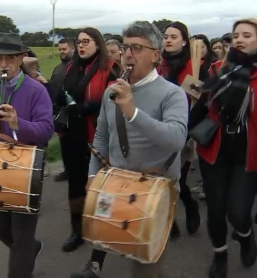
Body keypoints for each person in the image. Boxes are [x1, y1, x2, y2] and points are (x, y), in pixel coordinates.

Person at [70, 20, 188, 278]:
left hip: (155, 191)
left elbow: (177, 140)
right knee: (103, 238)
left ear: (156, 56)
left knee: (145, 265)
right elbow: (101, 136)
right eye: (125, 47)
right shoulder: (111, 92)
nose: (127, 55)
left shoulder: (172, 94)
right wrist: (92, 175)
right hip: (116, 186)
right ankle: (94, 265)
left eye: (137, 48)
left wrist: (132, 111)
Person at [189, 18, 257, 278]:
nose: (239, 39)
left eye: (246, 35)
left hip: (249, 154)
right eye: (235, 35)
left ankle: (245, 236)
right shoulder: (218, 69)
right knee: (216, 211)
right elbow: (203, 107)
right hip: (215, 149)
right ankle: (220, 254)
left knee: (239, 213)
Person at [0, 33, 54, 278]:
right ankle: (30, 249)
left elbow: (47, 130)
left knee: (22, 236)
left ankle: (24, 257)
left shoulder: (37, 91)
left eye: (10, 58)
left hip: (25, 172)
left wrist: (18, 123)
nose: (4, 64)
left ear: (22, 58)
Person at [55, 27, 118, 254]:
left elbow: (113, 102)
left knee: (100, 185)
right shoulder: (71, 67)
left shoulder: (109, 69)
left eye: (86, 41)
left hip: (96, 136)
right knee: (75, 183)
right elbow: (65, 95)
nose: (81, 46)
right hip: (72, 133)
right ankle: (77, 229)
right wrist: (68, 102)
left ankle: (103, 227)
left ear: (97, 44)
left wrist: (89, 106)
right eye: (79, 42)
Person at [159, 21, 206, 239]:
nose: (168, 39)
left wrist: (184, 128)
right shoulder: (158, 65)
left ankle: (189, 205)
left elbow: (202, 103)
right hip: (160, 128)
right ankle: (170, 222)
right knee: (162, 179)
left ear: (184, 41)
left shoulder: (196, 66)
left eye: (173, 36)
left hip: (186, 130)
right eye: (166, 36)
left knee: (178, 178)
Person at [51, 37, 75, 182]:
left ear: (73, 49)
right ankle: (67, 170)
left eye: (64, 49)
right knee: (64, 145)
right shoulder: (57, 69)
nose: (62, 52)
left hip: (73, 112)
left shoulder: (78, 68)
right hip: (59, 112)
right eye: (60, 49)